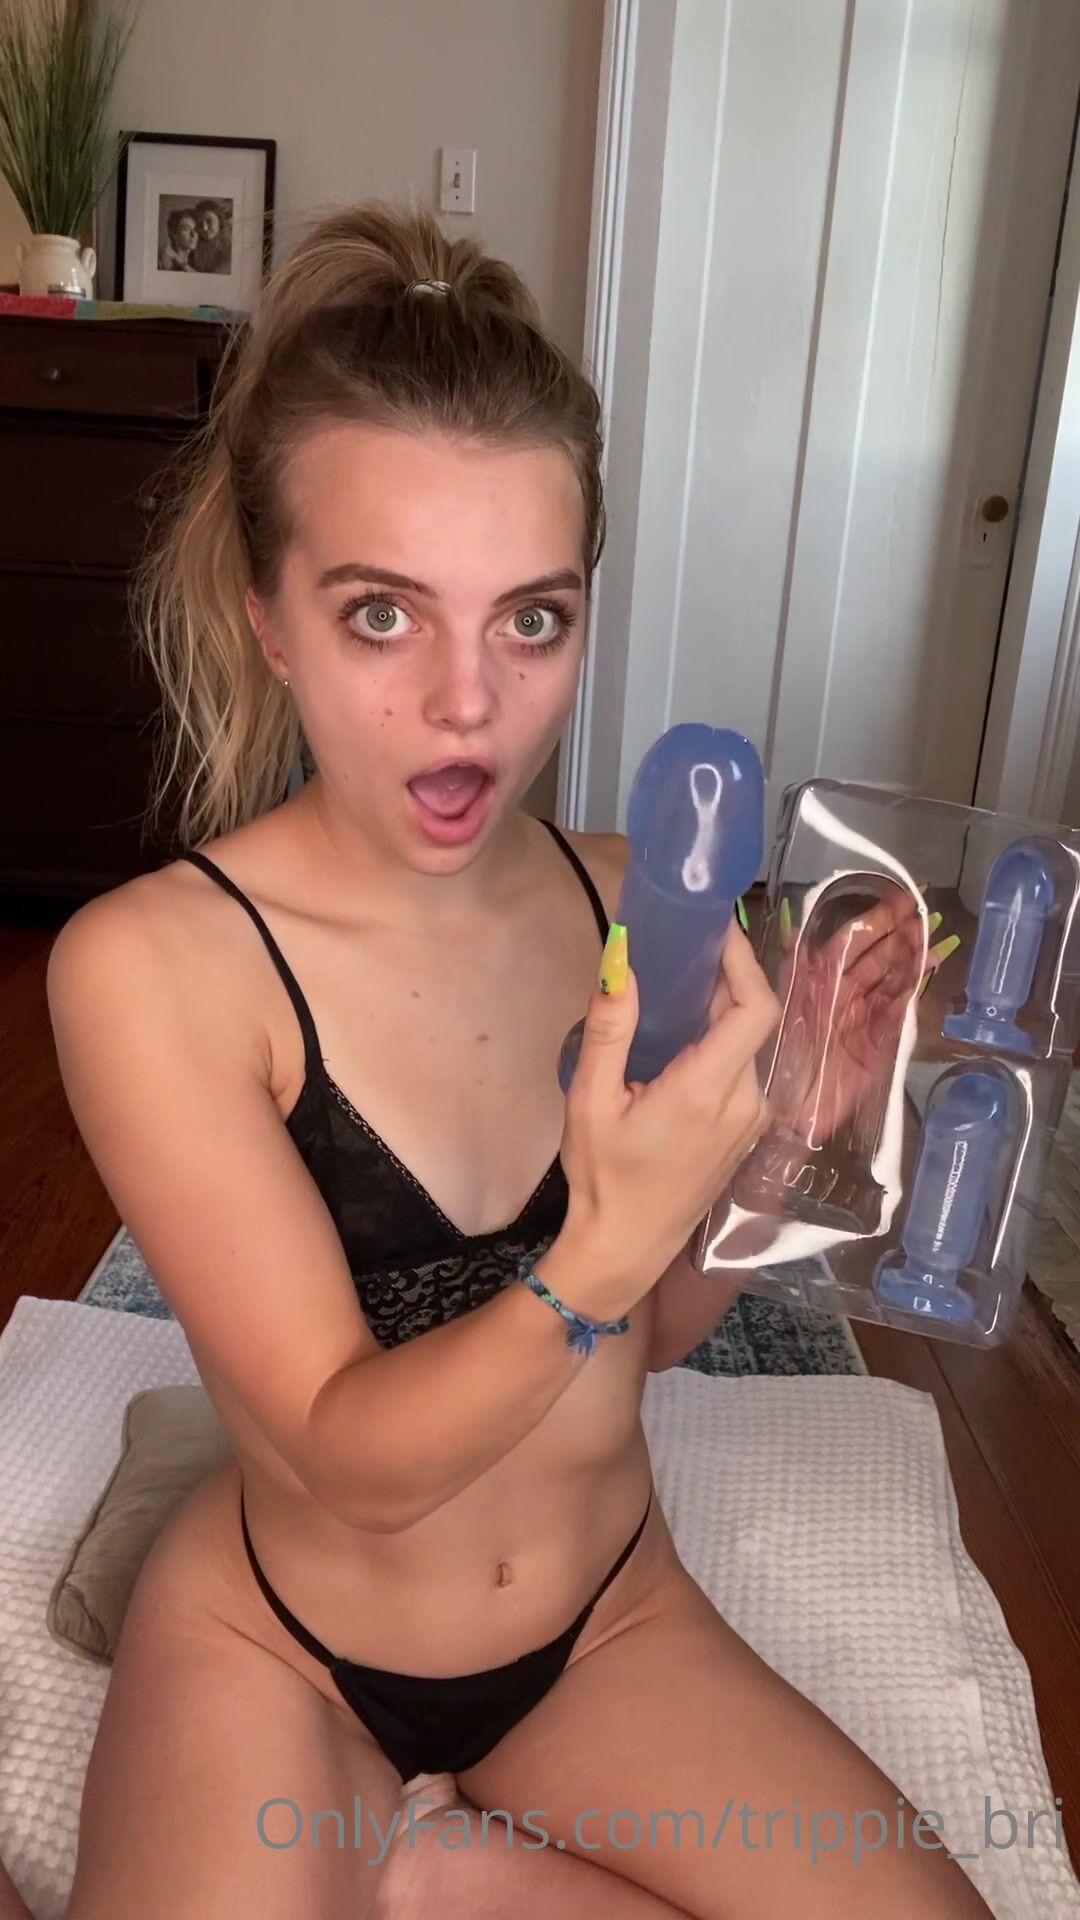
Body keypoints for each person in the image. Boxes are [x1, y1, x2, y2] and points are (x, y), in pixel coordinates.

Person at [0, 203, 995, 1920]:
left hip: (605, 1620)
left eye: (532, 620)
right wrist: (599, 1244)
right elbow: (343, 1452)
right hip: (288, 1644)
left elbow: (651, 1331)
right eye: (383, 615)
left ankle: (429, 1868)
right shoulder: (155, 966)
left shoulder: (634, 903)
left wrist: (806, 1128)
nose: (470, 702)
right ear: (270, 617)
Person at [158, 206, 198, 271]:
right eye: (186, 229)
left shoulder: (197, 258)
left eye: (195, 229)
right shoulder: (161, 261)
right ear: (174, 234)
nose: (193, 234)